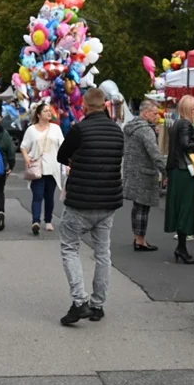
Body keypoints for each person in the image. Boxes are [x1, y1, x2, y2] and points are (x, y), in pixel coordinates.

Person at [55, 89, 125, 326]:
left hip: (81, 202)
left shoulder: (79, 130)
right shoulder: (117, 131)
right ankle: (98, 304)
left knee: (69, 248)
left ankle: (79, 302)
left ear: (85, 106)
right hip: (108, 201)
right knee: (103, 253)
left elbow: (61, 156)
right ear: (104, 105)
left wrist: (76, 160)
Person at [164, 95, 194, 264]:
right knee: (185, 207)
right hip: (184, 171)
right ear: (187, 108)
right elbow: (186, 146)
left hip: (177, 170)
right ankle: (181, 248)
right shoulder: (185, 124)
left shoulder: (177, 124)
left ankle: (181, 247)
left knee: (181, 207)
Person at [122, 99, 167, 252]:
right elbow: (154, 154)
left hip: (132, 171)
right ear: (145, 113)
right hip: (144, 173)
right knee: (143, 209)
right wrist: (165, 171)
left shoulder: (130, 127)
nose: (157, 117)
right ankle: (140, 241)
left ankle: (138, 238)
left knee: (137, 207)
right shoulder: (146, 130)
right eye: (155, 113)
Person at [20, 103, 65, 235]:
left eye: (50, 111)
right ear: (39, 114)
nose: (49, 113)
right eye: (45, 111)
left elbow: (63, 146)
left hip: (52, 167)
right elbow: (23, 146)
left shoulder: (56, 129)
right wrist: (26, 158)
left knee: (49, 196)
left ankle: (48, 220)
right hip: (37, 168)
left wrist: (66, 164)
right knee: (38, 196)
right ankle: (36, 222)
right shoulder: (31, 130)